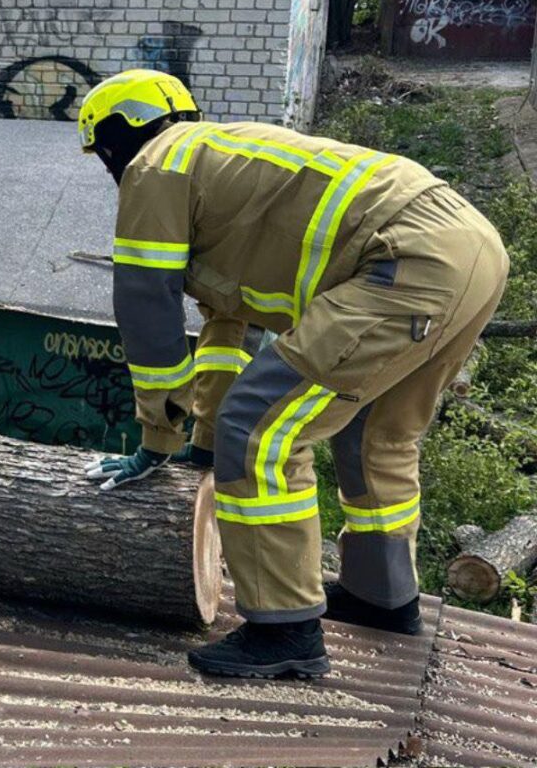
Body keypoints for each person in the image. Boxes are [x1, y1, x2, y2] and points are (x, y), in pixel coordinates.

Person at [79, 69, 507, 678]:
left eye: (102, 155)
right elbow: (228, 333)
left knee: (259, 429)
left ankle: (284, 633)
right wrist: (200, 447)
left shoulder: (155, 169)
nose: (108, 170)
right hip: (470, 250)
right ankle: (381, 599)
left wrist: (157, 439)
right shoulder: (219, 164)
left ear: (118, 136)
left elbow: (146, 307)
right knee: (376, 435)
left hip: (404, 260)